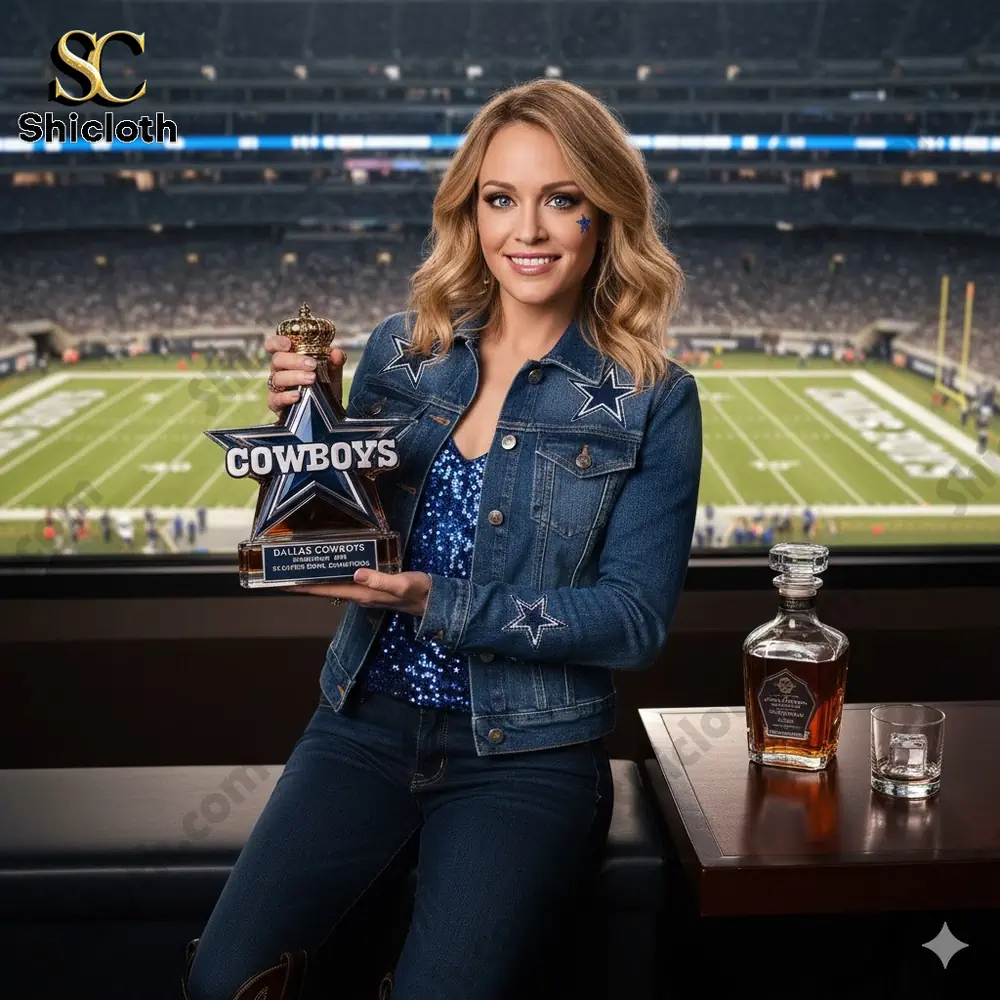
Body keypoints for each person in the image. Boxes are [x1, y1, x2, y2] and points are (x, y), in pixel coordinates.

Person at [182, 78, 701, 1000]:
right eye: (502, 198)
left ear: (604, 214)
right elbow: (341, 527)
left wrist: (439, 599)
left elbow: (632, 622)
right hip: (364, 725)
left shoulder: (655, 394)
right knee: (223, 981)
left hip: (527, 753)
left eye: (562, 199)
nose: (528, 230)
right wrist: (311, 426)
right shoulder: (398, 353)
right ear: (472, 210)